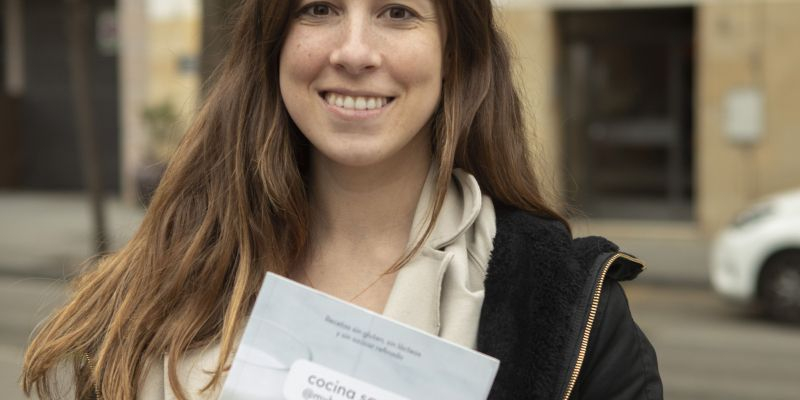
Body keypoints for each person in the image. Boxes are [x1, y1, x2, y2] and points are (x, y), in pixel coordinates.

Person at [22, 0, 663, 399]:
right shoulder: (168, 269)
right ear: (274, 44)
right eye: (319, 7)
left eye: (398, 12)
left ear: (456, 54)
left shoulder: (566, 305)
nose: (353, 51)